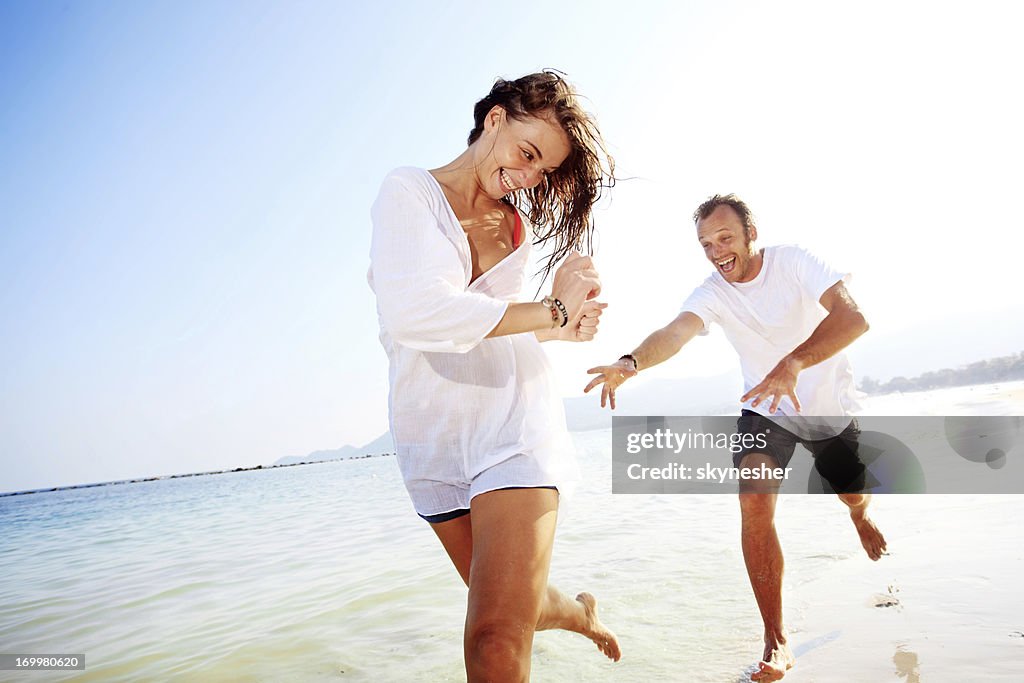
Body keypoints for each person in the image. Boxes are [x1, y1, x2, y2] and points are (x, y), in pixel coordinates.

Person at [368, 71, 621, 681]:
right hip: (433, 434)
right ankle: (582, 615)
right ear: (496, 119)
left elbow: (497, 326)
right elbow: (418, 313)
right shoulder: (410, 191)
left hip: (513, 425)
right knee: (519, 610)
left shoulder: (518, 228)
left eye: (544, 171)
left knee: (492, 642)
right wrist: (553, 313)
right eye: (527, 154)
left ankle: (573, 616)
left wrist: (563, 325)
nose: (529, 177)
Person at [585, 194, 887, 682]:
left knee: (851, 492)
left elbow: (854, 318)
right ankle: (776, 639)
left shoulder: (792, 262)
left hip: (827, 404)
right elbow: (676, 332)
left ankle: (860, 516)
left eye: (725, 238)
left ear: (751, 234)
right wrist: (629, 363)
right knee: (753, 502)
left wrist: (793, 364)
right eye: (705, 243)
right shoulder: (713, 291)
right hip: (764, 407)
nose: (716, 251)